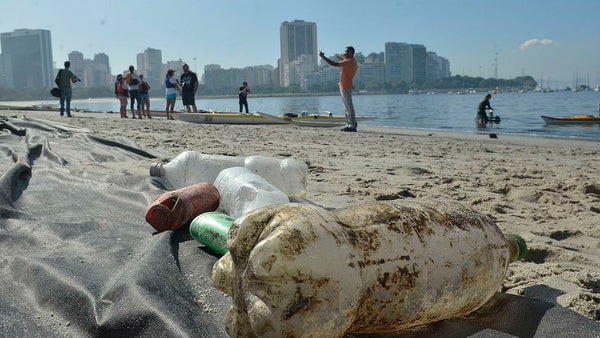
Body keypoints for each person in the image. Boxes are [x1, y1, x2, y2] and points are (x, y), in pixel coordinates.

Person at [319, 46, 358, 132]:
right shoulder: (352, 61)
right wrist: (339, 57)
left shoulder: (349, 62)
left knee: (348, 107)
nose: (344, 54)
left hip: (346, 86)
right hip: (345, 86)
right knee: (347, 107)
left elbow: (334, 64)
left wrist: (323, 57)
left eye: (346, 52)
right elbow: (344, 62)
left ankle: (352, 125)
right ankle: (350, 124)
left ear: (351, 53)